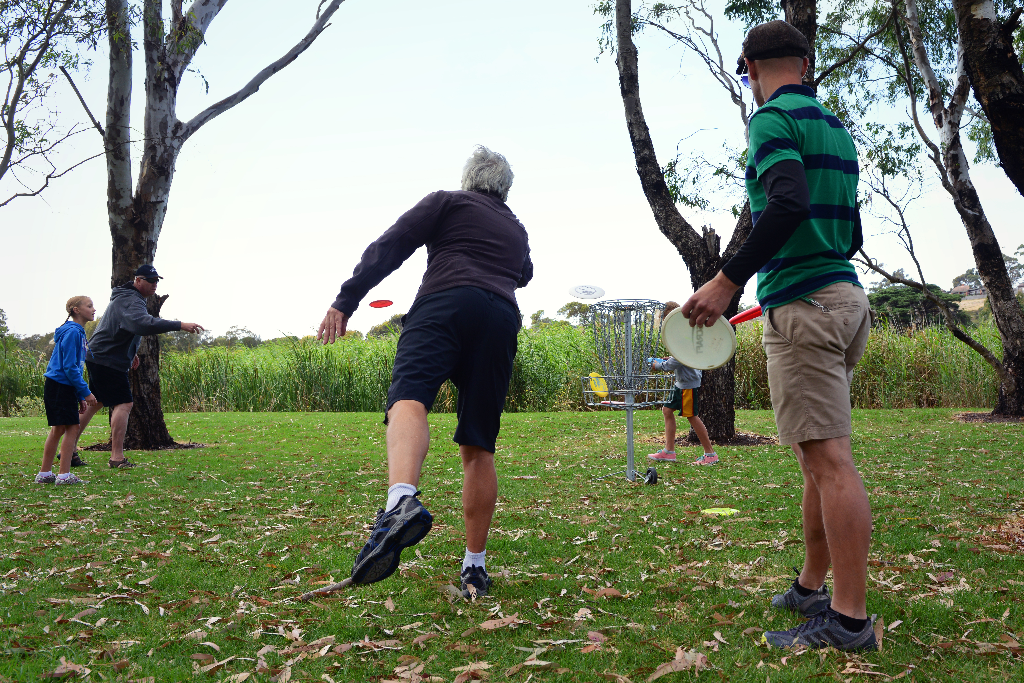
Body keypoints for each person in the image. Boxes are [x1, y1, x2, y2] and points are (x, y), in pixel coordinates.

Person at [680, 20, 874, 651]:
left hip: (805, 305)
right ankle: (811, 585)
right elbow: (853, 231)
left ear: (751, 68)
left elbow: (786, 202)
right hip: (845, 298)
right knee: (814, 458)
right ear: (805, 63)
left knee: (830, 462)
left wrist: (725, 281)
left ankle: (847, 622)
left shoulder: (770, 121)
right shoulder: (835, 128)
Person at [318, 146, 532, 598]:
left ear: (469, 179)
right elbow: (525, 272)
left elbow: (390, 246)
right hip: (500, 318)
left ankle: (400, 502)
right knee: (479, 441)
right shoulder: (516, 227)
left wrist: (346, 299)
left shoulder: (448, 202)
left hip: (446, 302)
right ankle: (475, 568)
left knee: (409, 398)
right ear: (505, 188)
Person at [78, 265, 204, 468]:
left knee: (95, 402)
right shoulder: (130, 299)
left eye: (157, 281)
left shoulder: (127, 298)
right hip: (107, 360)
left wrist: (131, 351)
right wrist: (180, 324)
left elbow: (122, 327)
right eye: (150, 280)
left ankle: (68, 450)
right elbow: (144, 324)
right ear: (138, 280)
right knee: (124, 404)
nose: (155, 284)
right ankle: (117, 458)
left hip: (100, 356)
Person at [35, 297, 99, 486]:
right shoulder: (72, 333)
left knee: (59, 429)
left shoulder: (77, 333)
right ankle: (63, 475)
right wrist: (87, 392)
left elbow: (75, 368)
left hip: (63, 386)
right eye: (89, 306)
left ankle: (45, 473)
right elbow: (70, 368)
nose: (94, 309)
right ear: (76, 310)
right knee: (72, 427)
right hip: (60, 385)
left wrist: (79, 396)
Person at [647, 302, 718, 465]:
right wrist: (667, 359)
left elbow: (676, 359)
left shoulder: (684, 333)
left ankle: (710, 454)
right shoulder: (683, 332)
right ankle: (669, 451)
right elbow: (680, 357)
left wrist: (657, 365)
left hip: (688, 384)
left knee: (692, 416)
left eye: (665, 319)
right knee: (667, 410)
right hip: (681, 382)